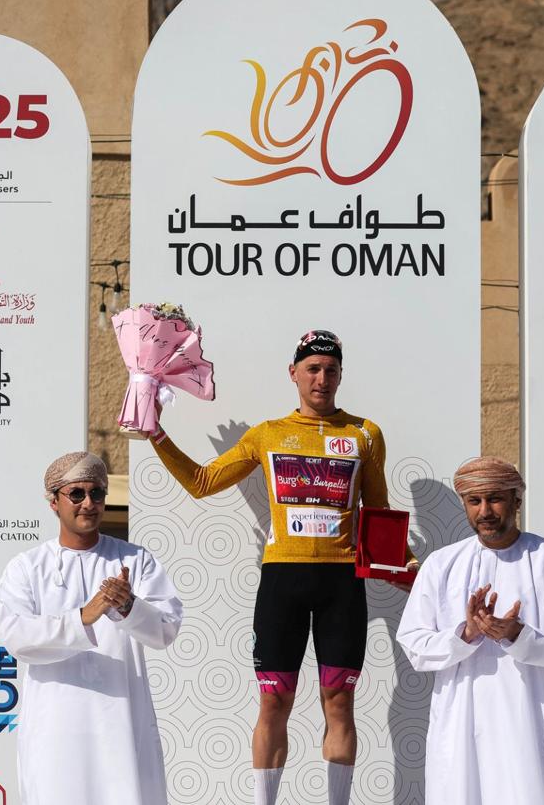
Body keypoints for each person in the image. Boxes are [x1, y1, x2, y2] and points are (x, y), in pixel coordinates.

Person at [142, 329, 415, 805]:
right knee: (273, 702)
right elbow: (204, 482)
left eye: (331, 370)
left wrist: (403, 563)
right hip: (282, 581)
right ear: (293, 374)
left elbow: (378, 510)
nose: (322, 378)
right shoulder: (267, 434)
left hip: (342, 583)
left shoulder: (364, 434)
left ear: (341, 375)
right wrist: (156, 434)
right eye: (312, 368)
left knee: (339, 702)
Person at [396, 457, 544, 805]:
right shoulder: (442, 565)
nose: (485, 510)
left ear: (517, 501)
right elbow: (415, 646)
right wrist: (466, 634)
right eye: (475, 501)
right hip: (462, 731)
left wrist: (517, 635)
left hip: (532, 731)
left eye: (495, 499)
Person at [0, 451, 183, 805]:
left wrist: (128, 606)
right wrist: (84, 616)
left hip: (120, 724)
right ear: (54, 502)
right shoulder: (26, 567)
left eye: (96, 493)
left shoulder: (135, 560)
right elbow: (17, 638)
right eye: (76, 494)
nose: (88, 503)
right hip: (55, 727)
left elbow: (166, 630)